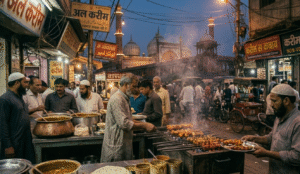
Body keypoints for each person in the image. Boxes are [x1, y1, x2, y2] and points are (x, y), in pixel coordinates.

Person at [242, 84, 300, 174]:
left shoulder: (297, 122)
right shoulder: (279, 117)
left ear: (286, 101)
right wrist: (254, 138)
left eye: (274, 101)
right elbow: (272, 137)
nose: (271, 105)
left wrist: (266, 153)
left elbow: (297, 157)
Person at [101, 74, 156, 162]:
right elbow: (124, 123)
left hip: (123, 143)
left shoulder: (125, 98)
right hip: (116, 145)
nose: (136, 89)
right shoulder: (117, 99)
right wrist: (144, 126)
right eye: (134, 86)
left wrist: (143, 124)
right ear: (126, 85)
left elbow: (128, 118)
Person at [0, 72, 35, 163]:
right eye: (25, 82)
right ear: (17, 83)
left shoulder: (19, 97)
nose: (27, 85)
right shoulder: (5, 99)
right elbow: (2, 123)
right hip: (14, 142)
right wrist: (8, 146)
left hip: (25, 140)